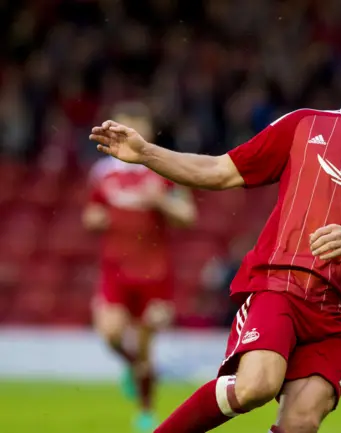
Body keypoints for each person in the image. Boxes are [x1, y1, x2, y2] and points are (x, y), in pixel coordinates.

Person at [89, 17, 341, 433]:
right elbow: (219, 171)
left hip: (338, 313)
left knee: (302, 420)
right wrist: (147, 153)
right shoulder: (304, 125)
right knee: (256, 385)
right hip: (280, 286)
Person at [83, 101, 197, 431]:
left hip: (154, 274)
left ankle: (145, 413)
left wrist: (160, 201)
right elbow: (90, 215)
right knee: (111, 334)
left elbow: (188, 216)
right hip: (114, 272)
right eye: (120, 123)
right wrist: (95, 219)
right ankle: (131, 366)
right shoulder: (102, 173)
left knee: (147, 350)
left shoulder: (164, 167)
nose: (126, 129)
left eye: (134, 123)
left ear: (146, 130)